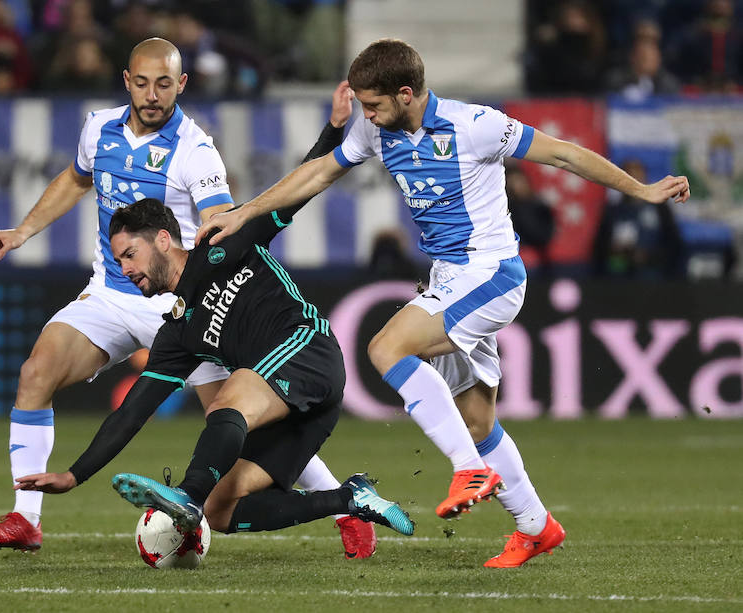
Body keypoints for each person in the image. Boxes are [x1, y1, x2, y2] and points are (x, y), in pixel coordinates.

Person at [196, 38, 690, 567]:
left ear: (405, 94)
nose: (365, 116)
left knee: (386, 347)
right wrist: (244, 213)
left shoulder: (474, 125)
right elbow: (316, 173)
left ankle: (467, 470)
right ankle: (536, 525)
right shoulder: (374, 128)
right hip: (448, 276)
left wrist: (641, 191)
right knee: (476, 421)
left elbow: (565, 153)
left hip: (492, 272)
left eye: (374, 105)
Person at [0, 39, 376, 559]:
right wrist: (23, 231)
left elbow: (223, 219)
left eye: (164, 84)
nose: (152, 95)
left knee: (234, 418)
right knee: (34, 373)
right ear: (127, 80)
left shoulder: (194, 149)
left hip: (179, 305)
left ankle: (341, 504)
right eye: (142, 83)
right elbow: (75, 179)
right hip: (112, 293)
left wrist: (220, 258)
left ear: (181, 85)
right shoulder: (99, 128)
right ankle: (25, 519)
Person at [13, 197, 415, 541]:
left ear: (164, 240)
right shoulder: (176, 334)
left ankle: (188, 494)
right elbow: (131, 413)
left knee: (228, 399)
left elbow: (293, 194)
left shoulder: (222, 242)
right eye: (117, 260)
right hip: (291, 402)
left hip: (307, 349)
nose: (125, 269)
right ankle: (349, 499)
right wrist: (74, 475)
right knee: (222, 510)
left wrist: (336, 136)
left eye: (130, 254)